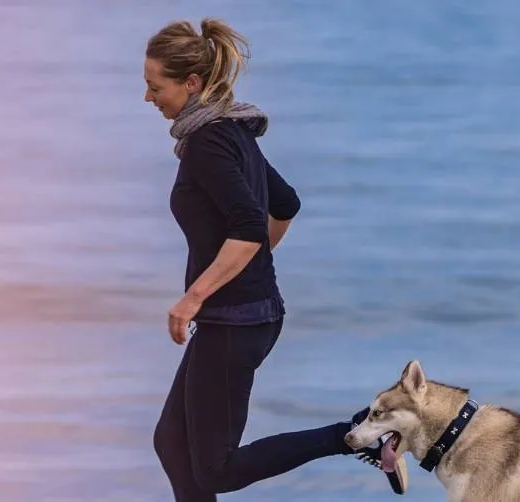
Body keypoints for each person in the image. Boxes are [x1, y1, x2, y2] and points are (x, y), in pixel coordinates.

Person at [144, 18, 407, 501]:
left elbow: (249, 225)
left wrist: (194, 296)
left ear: (192, 83)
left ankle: (357, 436)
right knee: (172, 443)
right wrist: (248, 268)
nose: (148, 97)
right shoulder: (230, 130)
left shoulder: (207, 142)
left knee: (216, 470)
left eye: (154, 86)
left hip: (235, 323)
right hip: (248, 315)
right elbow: (283, 205)